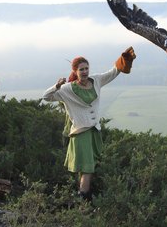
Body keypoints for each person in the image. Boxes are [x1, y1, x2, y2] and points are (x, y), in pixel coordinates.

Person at [42, 47, 136, 201]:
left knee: (87, 167)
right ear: (75, 71)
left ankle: (80, 196)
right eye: (81, 69)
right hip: (81, 133)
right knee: (88, 168)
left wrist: (124, 59)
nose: (85, 72)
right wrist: (57, 86)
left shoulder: (96, 80)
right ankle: (84, 198)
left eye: (86, 68)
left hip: (94, 131)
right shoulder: (67, 89)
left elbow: (113, 72)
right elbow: (46, 97)